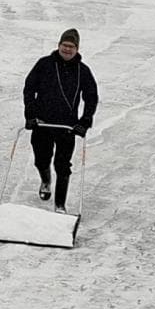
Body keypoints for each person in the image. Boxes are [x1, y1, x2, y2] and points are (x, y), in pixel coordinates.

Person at [21, 28, 98, 210]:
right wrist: (30, 115)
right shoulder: (44, 64)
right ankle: (46, 181)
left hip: (67, 127)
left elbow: (91, 97)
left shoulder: (83, 71)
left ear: (77, 49)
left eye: (71, 46)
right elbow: (29, 88)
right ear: (59, 45)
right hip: (42, 123)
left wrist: (84, 122)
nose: (67, 50)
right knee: (41, 160)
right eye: (65, 45)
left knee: (62, 166)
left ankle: (60, 206)